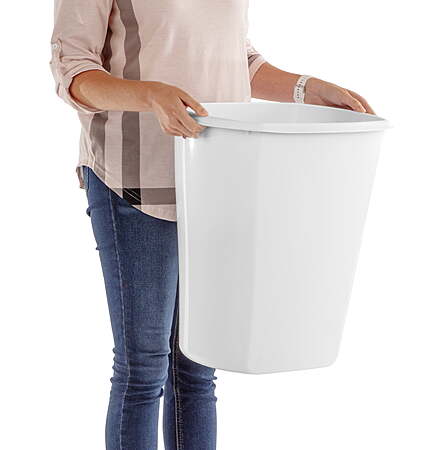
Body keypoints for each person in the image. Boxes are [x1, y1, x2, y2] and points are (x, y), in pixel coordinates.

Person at [50, 1, 375, 449]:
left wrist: (308, 89)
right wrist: (151, 95)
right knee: (143, 368)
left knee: (198, 367)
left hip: (215, 179)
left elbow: (236, 61)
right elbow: (73, 71)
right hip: (135, 178)